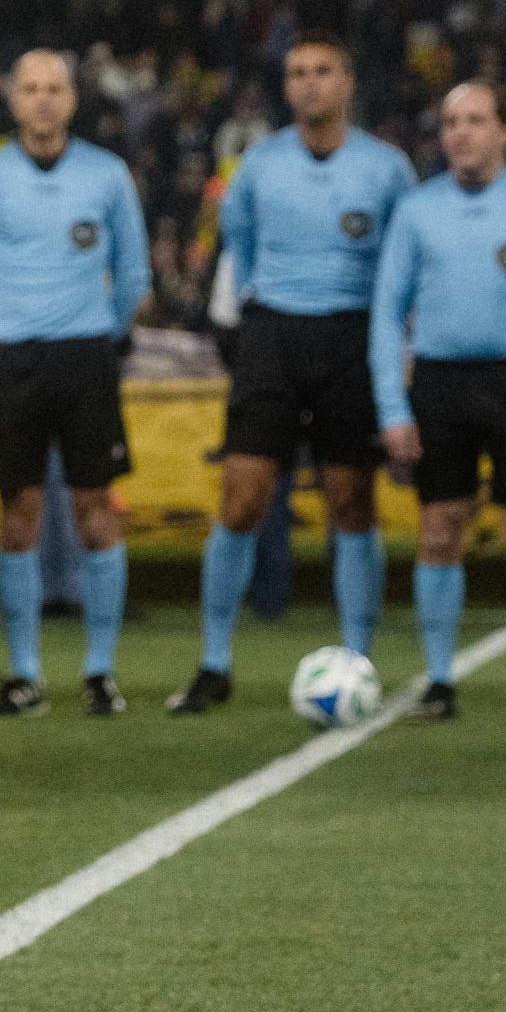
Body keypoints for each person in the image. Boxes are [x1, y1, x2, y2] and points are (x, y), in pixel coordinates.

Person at [177, 35, 407, 714]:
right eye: (298, 73)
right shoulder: (258, 165)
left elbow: (402, 265)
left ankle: (357, 658)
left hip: (352, 335)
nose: (310, 83)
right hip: (273, 334)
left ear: (347, 82)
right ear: (287, 87)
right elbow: (240, 250)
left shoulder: (387, 168)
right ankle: (213, 662)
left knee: (351, 503)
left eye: (322, 71)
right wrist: (262, 313)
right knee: (241, 499)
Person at [370, 80, 506, 720]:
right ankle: (439, 681)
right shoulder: (416, 210)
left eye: (475, 121)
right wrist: (393, 407)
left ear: (505, 131)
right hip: (439, 384)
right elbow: (386, 313)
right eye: (450, 122)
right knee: (438, 531)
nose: (460, 133)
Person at [0, 49, 150, 718]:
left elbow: (134, 272)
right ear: (13, 99)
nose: (42, 99)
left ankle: (100, 673)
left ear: (72, 99)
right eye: (30, 88)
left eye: (54, 88)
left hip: (87, 356)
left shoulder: (107, 174)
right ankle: (25, 674)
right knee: (17, 515)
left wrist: (102, 327)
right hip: (14, 358)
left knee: (96, 510)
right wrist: (4, 318)